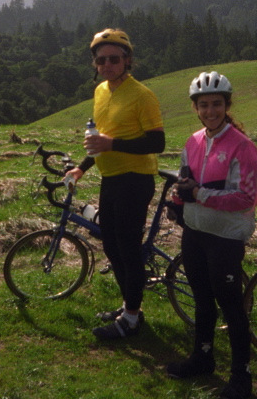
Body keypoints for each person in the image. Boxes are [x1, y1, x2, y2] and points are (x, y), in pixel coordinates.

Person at [65, 28, 165, 340]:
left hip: (135, 180)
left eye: (114, 59)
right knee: (111, 245)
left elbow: (157, 142)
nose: (107, 64)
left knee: (127, 248)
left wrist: (112, 145)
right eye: (101, 60)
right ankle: (129, 307)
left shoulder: (143, 95)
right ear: (95, 63)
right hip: (110, 178)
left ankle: (132, 320)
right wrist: (81, 168)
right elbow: (101, 140)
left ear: (127, 60)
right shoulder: (100, 92)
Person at [167, 71, 257, 399]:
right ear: (195, 108)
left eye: (216, 104)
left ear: (227, 105)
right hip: (195, 232)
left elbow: (245, 198)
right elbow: (185, 179)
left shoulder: (242, 147)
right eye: (203, 105)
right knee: (202, 300)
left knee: (231, 306)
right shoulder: (192, 142)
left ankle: (241, 377)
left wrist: (200, 194)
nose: (210, 111)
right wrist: (177, 202)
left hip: (226, 236)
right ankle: (203, 358)